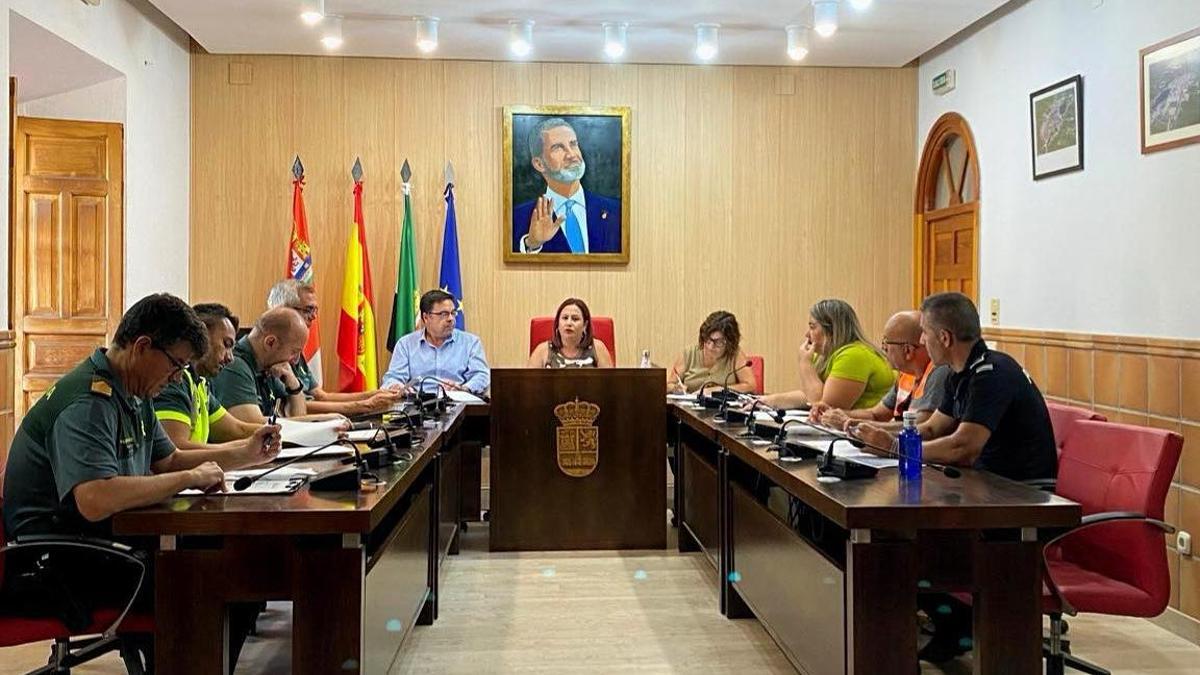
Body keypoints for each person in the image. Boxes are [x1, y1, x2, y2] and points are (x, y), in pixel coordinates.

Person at [1, 294, 279, 668]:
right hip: (58, 564)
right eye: (176, 365)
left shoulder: (133, 389)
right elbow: (95, 498)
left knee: (234, 566)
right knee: (213, 579)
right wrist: (188, 478)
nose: (178, 378)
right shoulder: (89, 402)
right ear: (143, 346)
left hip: (101, 542)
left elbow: (169, 460)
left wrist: (243, 453)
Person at [850, 292, 1057, 664]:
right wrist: (882, 438)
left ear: (944, 337)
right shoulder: (961, 372)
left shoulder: (991, 373)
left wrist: (896, 448)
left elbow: (964, 447)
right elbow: (933, 429)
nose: (923, 343)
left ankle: (961, 627)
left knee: (903, 543)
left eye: (926, 334)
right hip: (984, 490)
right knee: (891, 536)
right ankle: (953, 624)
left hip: (1019, 501)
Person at [266, 279, 401, 414]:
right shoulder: (273, 349)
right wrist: (364, 405)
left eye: (315, 310)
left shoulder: (295, 347)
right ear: (283, 310)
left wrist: (376, 394)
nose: (313, 316)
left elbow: (321, 396)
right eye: (308, 309)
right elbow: (292, 406)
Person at [810, 310, 949, 430]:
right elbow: (876, 414)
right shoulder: (906, 375)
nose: (883, 350)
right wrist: (836, 414)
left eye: (886, 344)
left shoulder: (939, 372)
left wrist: (852, 424)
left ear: (907, 351)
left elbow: (922, 425)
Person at [153, 302, 262, 448]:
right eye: (226, 344)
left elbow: (236, 429)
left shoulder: (200, 381)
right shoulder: (174, 380)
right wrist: (246, 451)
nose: (230, 358)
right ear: (202, 334)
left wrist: (279, 433)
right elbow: (176, 449)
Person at [758, 299, 894, 411]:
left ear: (832, 330)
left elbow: (823, 409)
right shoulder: (827, 354)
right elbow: (809, 396)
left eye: (812, 327)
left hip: (865, 437)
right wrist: (768, 401)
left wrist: (805, 364)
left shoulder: (853, 355)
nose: (807, 335)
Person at [512, 117, 622, 255]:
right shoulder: (517, 217)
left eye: (573, 144)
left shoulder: (617, 211)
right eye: (558, 148)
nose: (571, 155)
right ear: (539, 164)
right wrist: (533, 245)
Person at [210, 306, 311, 422]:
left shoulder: (270, 366)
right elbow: (253, 427)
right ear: (270, 343)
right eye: (294, 352)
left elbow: (298, 417)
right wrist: (330, 419)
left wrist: (294, 386)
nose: (295, 360)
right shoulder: (234, 365)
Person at [382, 289, 491, 394]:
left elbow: (482, 375)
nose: (451, 319)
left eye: (453, 313)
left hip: (458, 404)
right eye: (444, 314)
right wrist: (395, 385)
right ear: (426, 317)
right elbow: (392, 378)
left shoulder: (471, 343)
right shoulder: (406, 344)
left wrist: (464, 388)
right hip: (417, 405)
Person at [666, 311, 757, 394]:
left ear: (730, 342)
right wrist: (675, 388)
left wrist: (717, 390)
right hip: (688, 409)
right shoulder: (689, 354)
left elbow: (750, 386)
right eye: (707, 340)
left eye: (718, 342)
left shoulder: (735, 355)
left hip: (721, 409)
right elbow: (669, 385)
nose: (710, 347)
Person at [527, 298, 614, 368]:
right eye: (565, 318)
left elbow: (611, 385)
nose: (569, 323)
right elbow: (529, 387)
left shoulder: (598, 348)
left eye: (575, 319)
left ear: (585, 325)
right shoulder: (542, 350)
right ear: (557, 324)